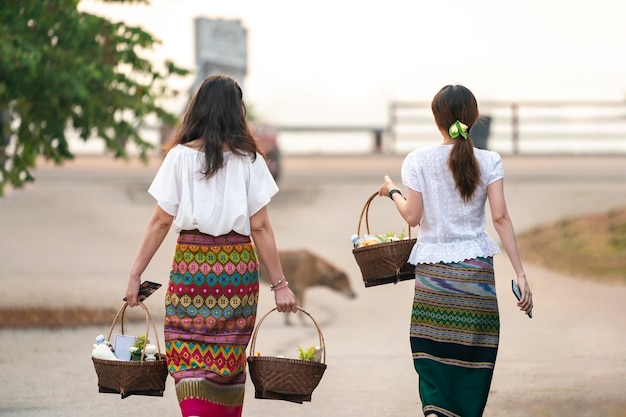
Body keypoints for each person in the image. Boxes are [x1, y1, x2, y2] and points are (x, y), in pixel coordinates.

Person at [124, 74, 298, 417]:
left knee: (186, 355)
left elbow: (160, 221)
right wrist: (280, 285)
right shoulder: (251, 161)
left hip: (191, 269)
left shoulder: (178, 157)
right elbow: (260, 227)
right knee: (227, 366)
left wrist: (135, 275)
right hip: (236, 274)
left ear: (198, 109)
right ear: (237, 112)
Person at [378, 84, 533, 417]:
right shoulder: (489, 161)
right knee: (474, 357)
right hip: (476, 276)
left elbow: (412, 216)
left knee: (432, 352)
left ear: (436, 120)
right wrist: (520, 272)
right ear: (474, 118)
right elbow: (501, 218)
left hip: (434, 277)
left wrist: (391, 192)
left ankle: (435, 410)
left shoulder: (418, 160)